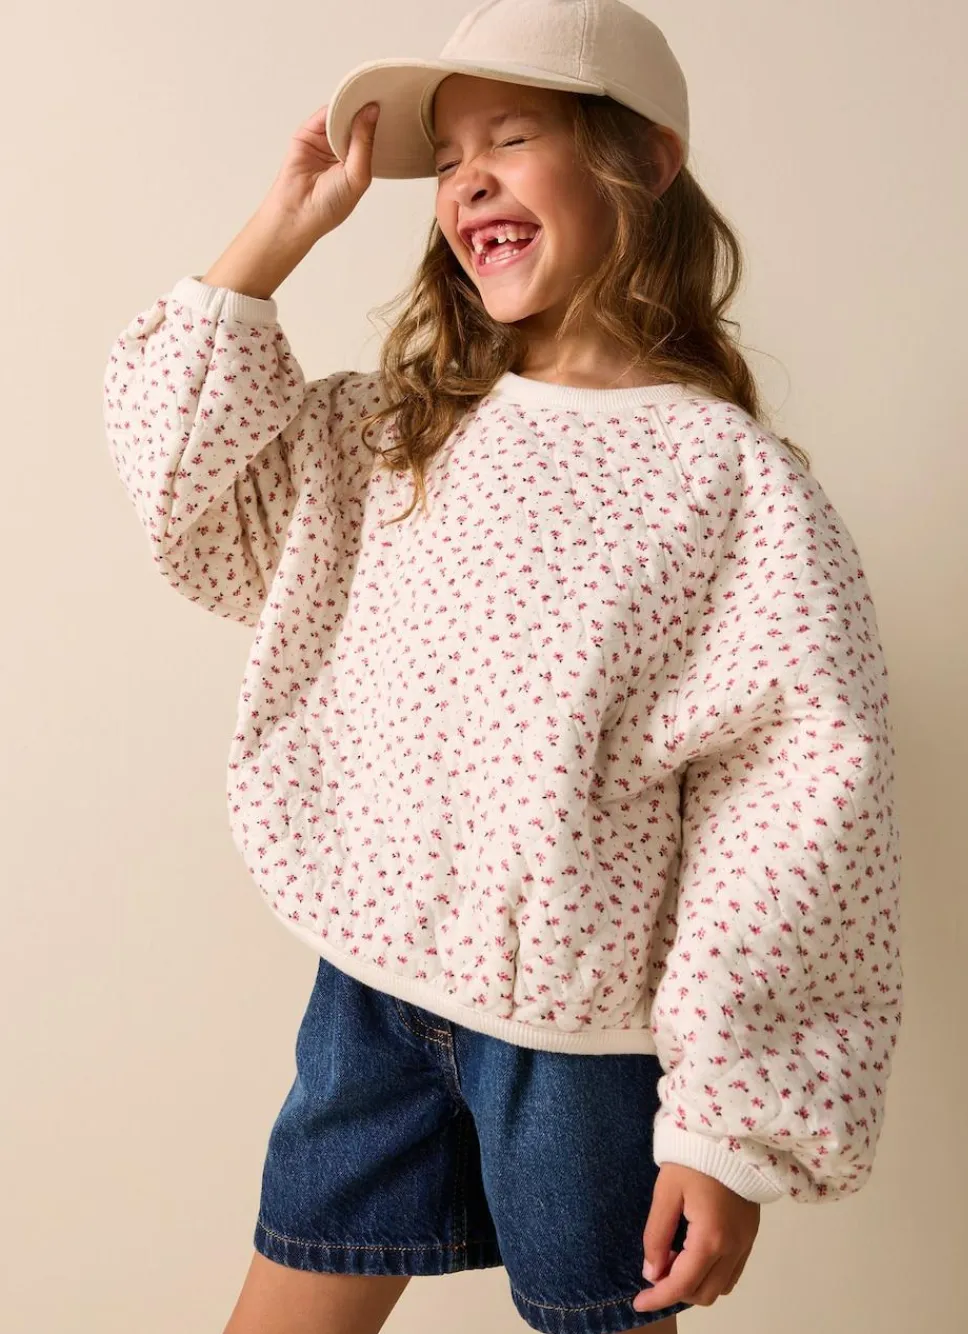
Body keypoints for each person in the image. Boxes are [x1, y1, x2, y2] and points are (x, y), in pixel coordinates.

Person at [101, 2, 904, 1331]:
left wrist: (728, 1122)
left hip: (583, 1049)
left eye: (512, 137)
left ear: (645, 162)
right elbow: (184, 487)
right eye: (448, 157)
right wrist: (283, 227)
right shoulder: (394, 436)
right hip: (370, 994)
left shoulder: (732, 485)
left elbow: (794, 810)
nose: (466, 177)